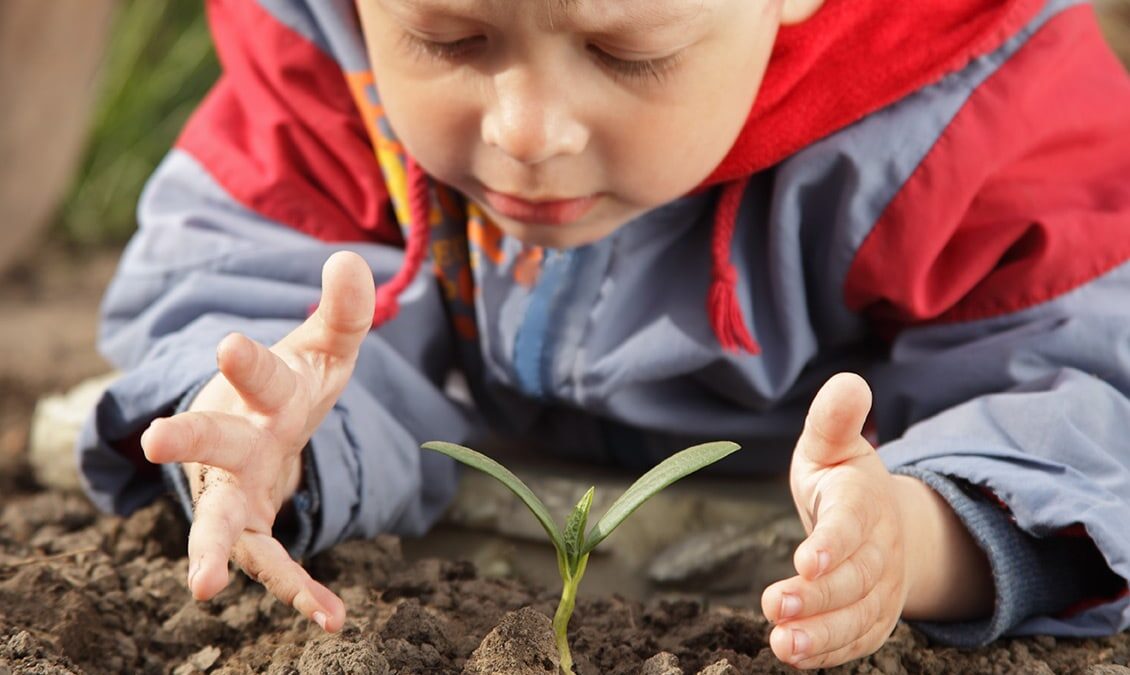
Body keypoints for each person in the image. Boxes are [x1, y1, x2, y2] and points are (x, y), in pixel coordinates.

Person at [77, 0, 1130, 668]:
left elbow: (1080, 383)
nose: (525, 131)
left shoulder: (967, 111)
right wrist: (268, 434)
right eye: (448, 38)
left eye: (625, 51)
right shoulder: (327, 53)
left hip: (848, 477)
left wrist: (914, 537)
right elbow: (249, 278)